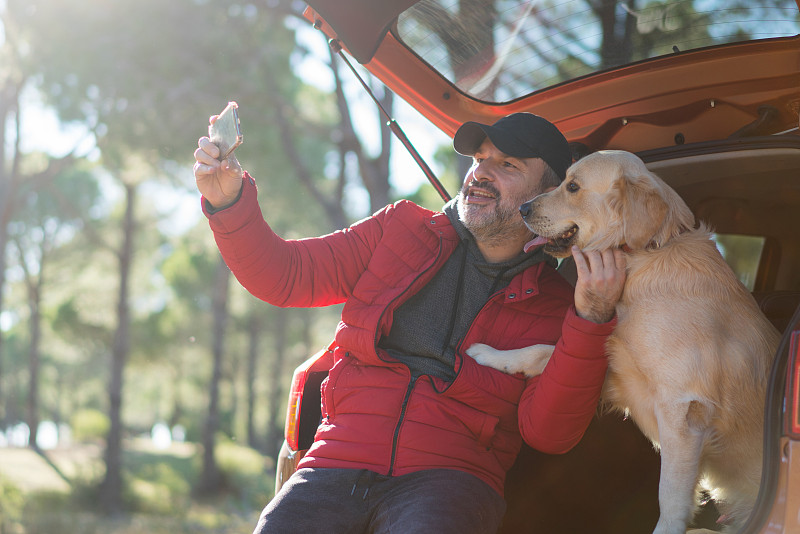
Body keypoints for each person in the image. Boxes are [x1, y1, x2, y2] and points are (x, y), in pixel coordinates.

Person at [193, 112, 626, 534]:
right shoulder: (398, 228)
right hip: (335, 460)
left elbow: (550, 433)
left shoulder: (557, 306)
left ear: (550, 191)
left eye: (507, 164)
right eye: (479, 160)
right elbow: (285, 276)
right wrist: (229, 201)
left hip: (450, 481)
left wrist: (591, 319)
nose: (480, 173)